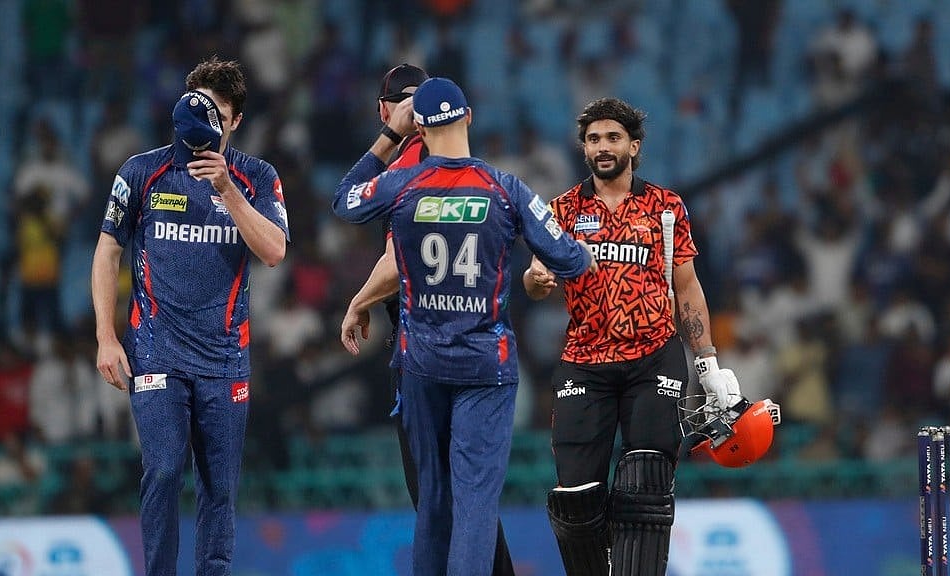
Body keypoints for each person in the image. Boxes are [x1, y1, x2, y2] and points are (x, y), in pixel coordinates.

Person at [334, 77, 597, 576]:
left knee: (433, 499)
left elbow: (344, 200)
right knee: (474, 501)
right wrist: (567, 257)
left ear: (422, 127)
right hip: (485, 365)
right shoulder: (505, 188)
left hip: (420, 364)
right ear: (469, 117)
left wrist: (389, 136)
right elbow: (570, 258)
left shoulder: (400, 184)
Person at [522, 97, 740, 576]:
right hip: (584, 360)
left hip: (653, 359)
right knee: (575, 497)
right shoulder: (562, 209)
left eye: (613, 137)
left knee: (646, 482)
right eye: (594, 139)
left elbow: (687, 288)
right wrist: (536, 280)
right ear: (583, 149)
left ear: (633, 146)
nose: (603, 147)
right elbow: (537, 273)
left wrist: (708, 363)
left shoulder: (665, 206)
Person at [91, 56, 289, 576]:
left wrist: (226, 188)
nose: (204, 122)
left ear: (235, 122)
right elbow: (107, 249)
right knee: (161, 470)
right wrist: (105, 338)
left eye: (216, 114)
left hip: (225, 358)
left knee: (220, 487)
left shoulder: (257, 177)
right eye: (195, 105)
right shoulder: (142, 171)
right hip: (157, 349)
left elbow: (273, 251)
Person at [339, 63, 519, 575]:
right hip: (467, 339)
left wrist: (359, 300)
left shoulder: (415, 160)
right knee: (467, 493)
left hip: (430, 349)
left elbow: (398, 256)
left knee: (440, 494)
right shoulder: (439, 160)